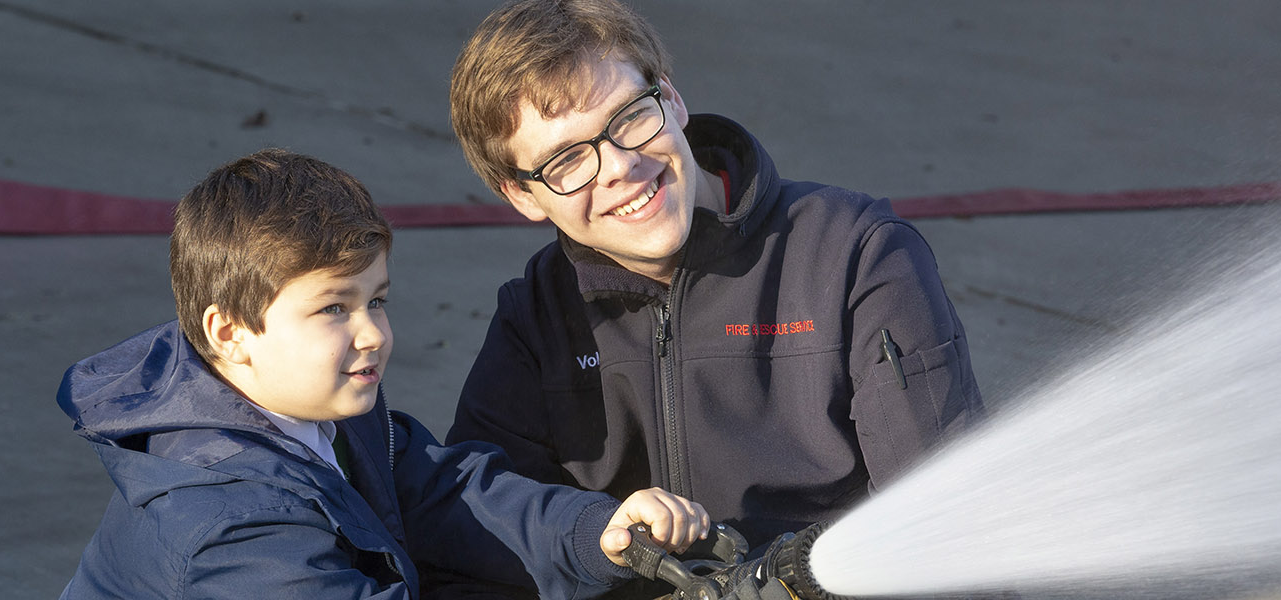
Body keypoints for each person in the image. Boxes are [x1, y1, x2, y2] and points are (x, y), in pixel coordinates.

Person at [439, 0, 985, 596]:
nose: (621, 166)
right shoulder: (534, 316)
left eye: (628, 117)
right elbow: (472, 539)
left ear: (671, 100)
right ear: (521, 196)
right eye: (567, 160)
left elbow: (948, 529)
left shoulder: (858, 255)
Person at [54, 149, 711, 599]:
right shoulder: (232, 525)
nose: (372, 333)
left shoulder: (317, 406)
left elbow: (438, 495)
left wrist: (595, 532)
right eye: (333, 309)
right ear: (229, 332)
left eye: (376, 300)